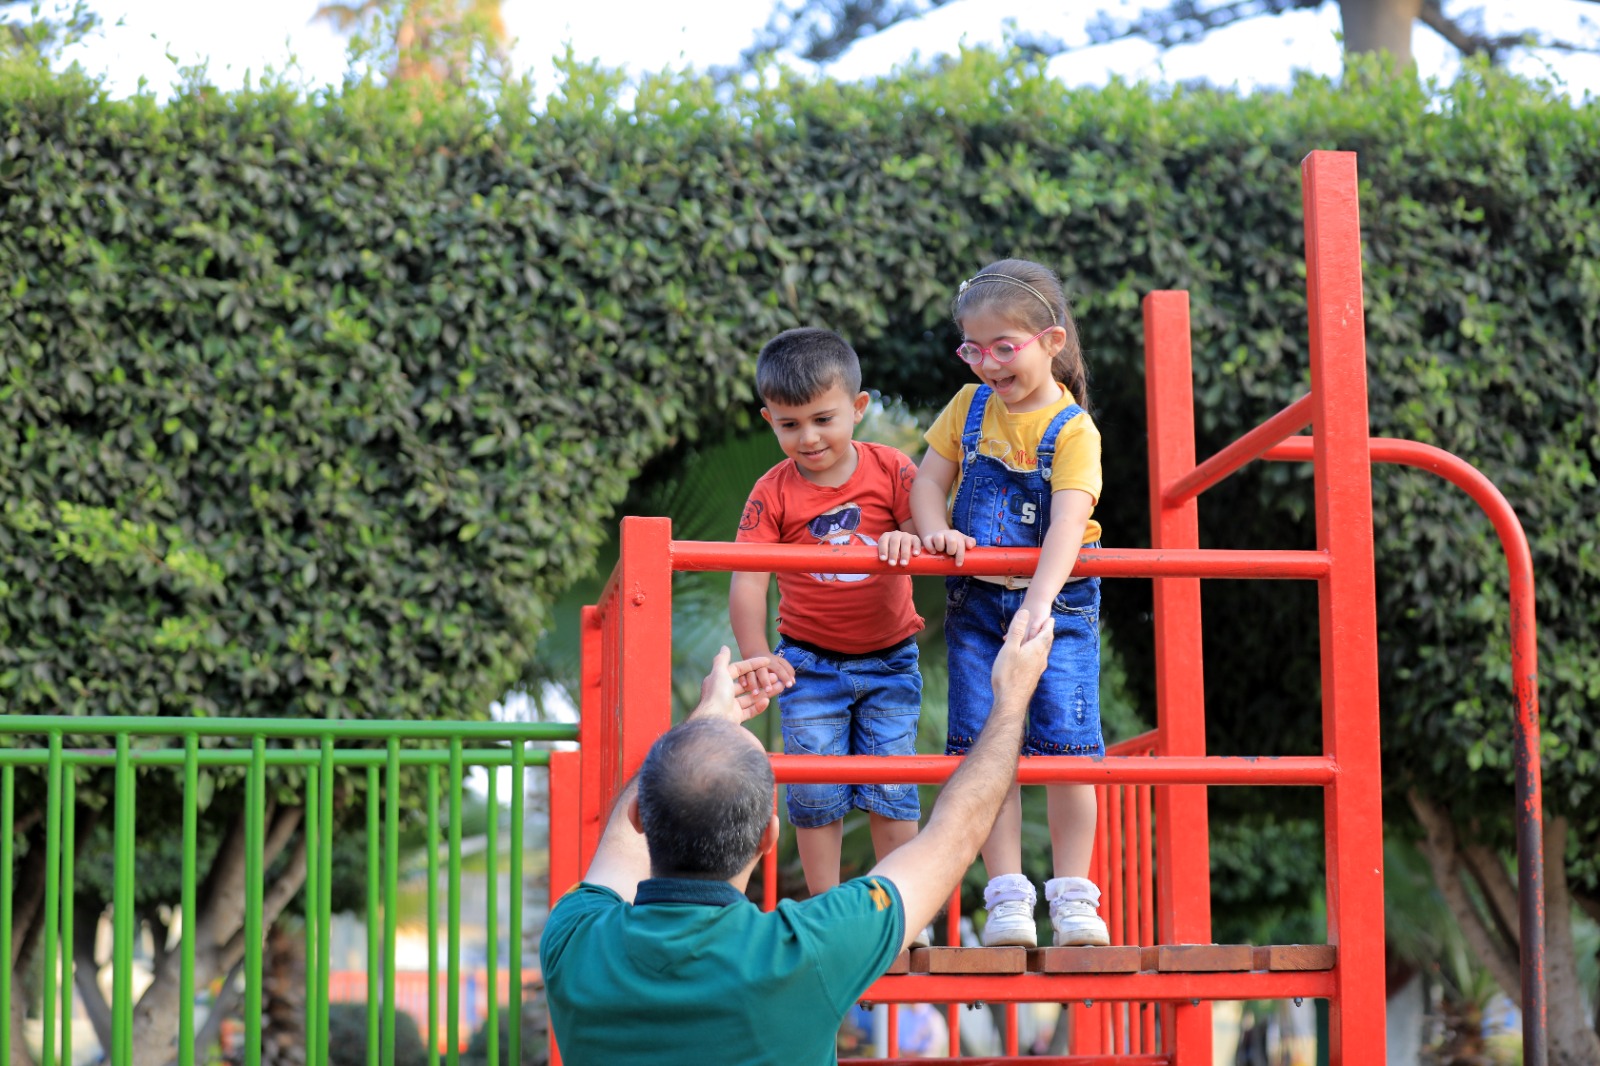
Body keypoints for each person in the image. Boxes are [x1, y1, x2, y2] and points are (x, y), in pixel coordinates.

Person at [540, 612, 1053, 1066]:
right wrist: (1012, 700)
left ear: (638, 815)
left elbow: (619, 845)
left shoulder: (575, 937)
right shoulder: (805, 952)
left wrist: (708, 719)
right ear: (769, 835)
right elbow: (955, 832)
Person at [909, 258, 1110, 949]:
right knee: (982, 746)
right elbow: (926, 481)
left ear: (1051, 342)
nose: (988, 363)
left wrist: (1040, 606)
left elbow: (1066, 523)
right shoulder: (968, 408)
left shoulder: (1073, 430)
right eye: (973, 348)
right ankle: (1007, 899)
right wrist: (933, 526)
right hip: (976, 607)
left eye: (1004, 347)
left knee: (1067, 749)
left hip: (1057, 608)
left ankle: (1075, 897)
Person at [728, 327, 926, 900]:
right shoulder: (773, 492)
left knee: (893, 784)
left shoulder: (891, 470)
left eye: (823, 419)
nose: (808, 438)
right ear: (770, 420)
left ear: (858, 409)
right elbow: (748, 582)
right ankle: (823, 907)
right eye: (790, 425)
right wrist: (758, 656)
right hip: (808, 664)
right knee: (815, 792)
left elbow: (923, 531)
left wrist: (907, 540)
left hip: (890, 659)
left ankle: (898, 907)